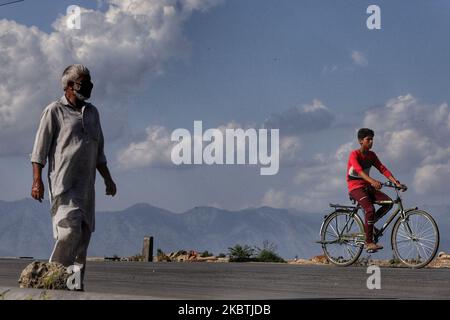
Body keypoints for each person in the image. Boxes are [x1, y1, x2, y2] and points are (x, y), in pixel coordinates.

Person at [30, 64, 117, 290]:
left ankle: (73, 287)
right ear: (69, 85)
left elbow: (99, 152)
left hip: (87, 188)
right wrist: (37, 181)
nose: (87, 86)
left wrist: (108, 179)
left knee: (83, 239)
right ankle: (50, 281)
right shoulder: (54, 111)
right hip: (63, 185)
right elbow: (39, 151)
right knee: (69, 233)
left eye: (89, 81)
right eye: (82, 82)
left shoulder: (93, 113)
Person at [347, 128, 405, 252]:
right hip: (356, 188)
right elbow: (360, 172)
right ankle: (369, 242)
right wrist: (373, 181)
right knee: (370, 209)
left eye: (372, 139)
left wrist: (396, 182)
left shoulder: (371, 155)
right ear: (360, 141)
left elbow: (382, 168)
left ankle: (369, 225)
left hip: (367, 187)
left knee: (389, 203)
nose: (371, 142)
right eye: (368, 139)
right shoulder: (354, 154)